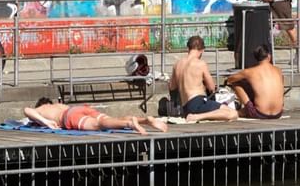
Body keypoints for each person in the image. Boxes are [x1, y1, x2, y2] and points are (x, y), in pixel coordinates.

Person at [166, 35, 239, 120]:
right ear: (202, 50)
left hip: (186, 106)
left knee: (224, 110)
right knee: (233, 113)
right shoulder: (200, 64)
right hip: (197, 102)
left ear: (188, 48)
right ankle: (197, 117)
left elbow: (172, 87)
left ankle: (195, 116)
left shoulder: (177, 64)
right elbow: (211, 87)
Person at [24, 97, 165, 134]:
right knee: (109, 120)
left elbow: (27, 110)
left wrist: (46, 122)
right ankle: (145, 120)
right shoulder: (57, 105)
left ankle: (129, 124)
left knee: (98, 125)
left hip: (69, 116)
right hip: (78, 108)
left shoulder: (41, 109)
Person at [226, 45, 286, 120]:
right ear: (269, 56)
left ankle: (244, 110)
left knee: (235, 83)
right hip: (278, 113)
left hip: (259, 113)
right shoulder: (278, 70)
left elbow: (230, 79)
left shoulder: (249, 72)